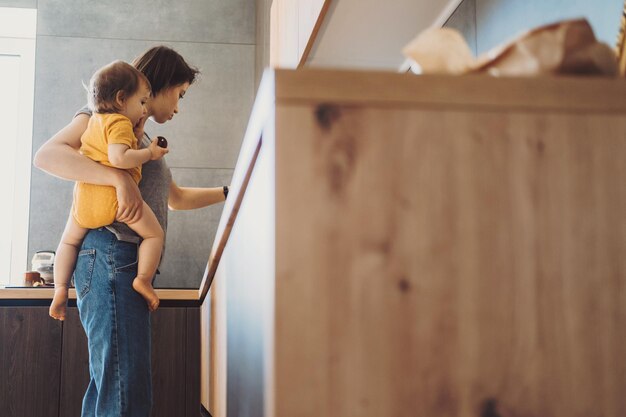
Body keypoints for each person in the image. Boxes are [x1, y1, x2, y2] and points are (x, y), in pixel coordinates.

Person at [34, 46, 228, 416]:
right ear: (161, 83)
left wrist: (228, 194)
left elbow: (175, 198)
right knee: (123, 389)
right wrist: (116, 180)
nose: (178, 107)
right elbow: (47, 155)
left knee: (118, 384)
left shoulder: (142, 141)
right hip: (111, 251)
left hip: (122, 260)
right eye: (180, 94)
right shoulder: (101, 114)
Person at [49, 60, 167, 321]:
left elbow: (103, 150)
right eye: (142, 102)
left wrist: (138, 133)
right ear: (122, 98)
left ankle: (59, 290)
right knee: (154, 235)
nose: (144, 109)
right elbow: (119, 157)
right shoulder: (119, 123)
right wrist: (149, 152)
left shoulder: (93, 123)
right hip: (115, 203)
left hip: (85, 201)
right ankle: (143, 280)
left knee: (68, 241)